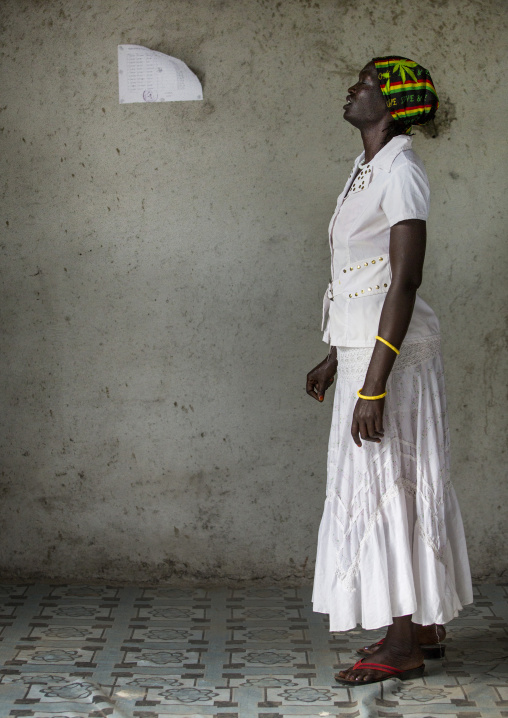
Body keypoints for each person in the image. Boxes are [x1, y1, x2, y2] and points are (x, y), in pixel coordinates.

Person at [306, 56, 473, 686]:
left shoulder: (402, 168)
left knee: (389, 485)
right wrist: (334, 354)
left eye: (369, 84)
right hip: (366, 348)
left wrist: (372, 383)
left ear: (395, 103)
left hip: (391, 359)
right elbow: (362, 275)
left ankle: (402, 644)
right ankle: (422, 623)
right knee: (394, 479)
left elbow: (404, 281)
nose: (353, 89)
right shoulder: (366, 167)